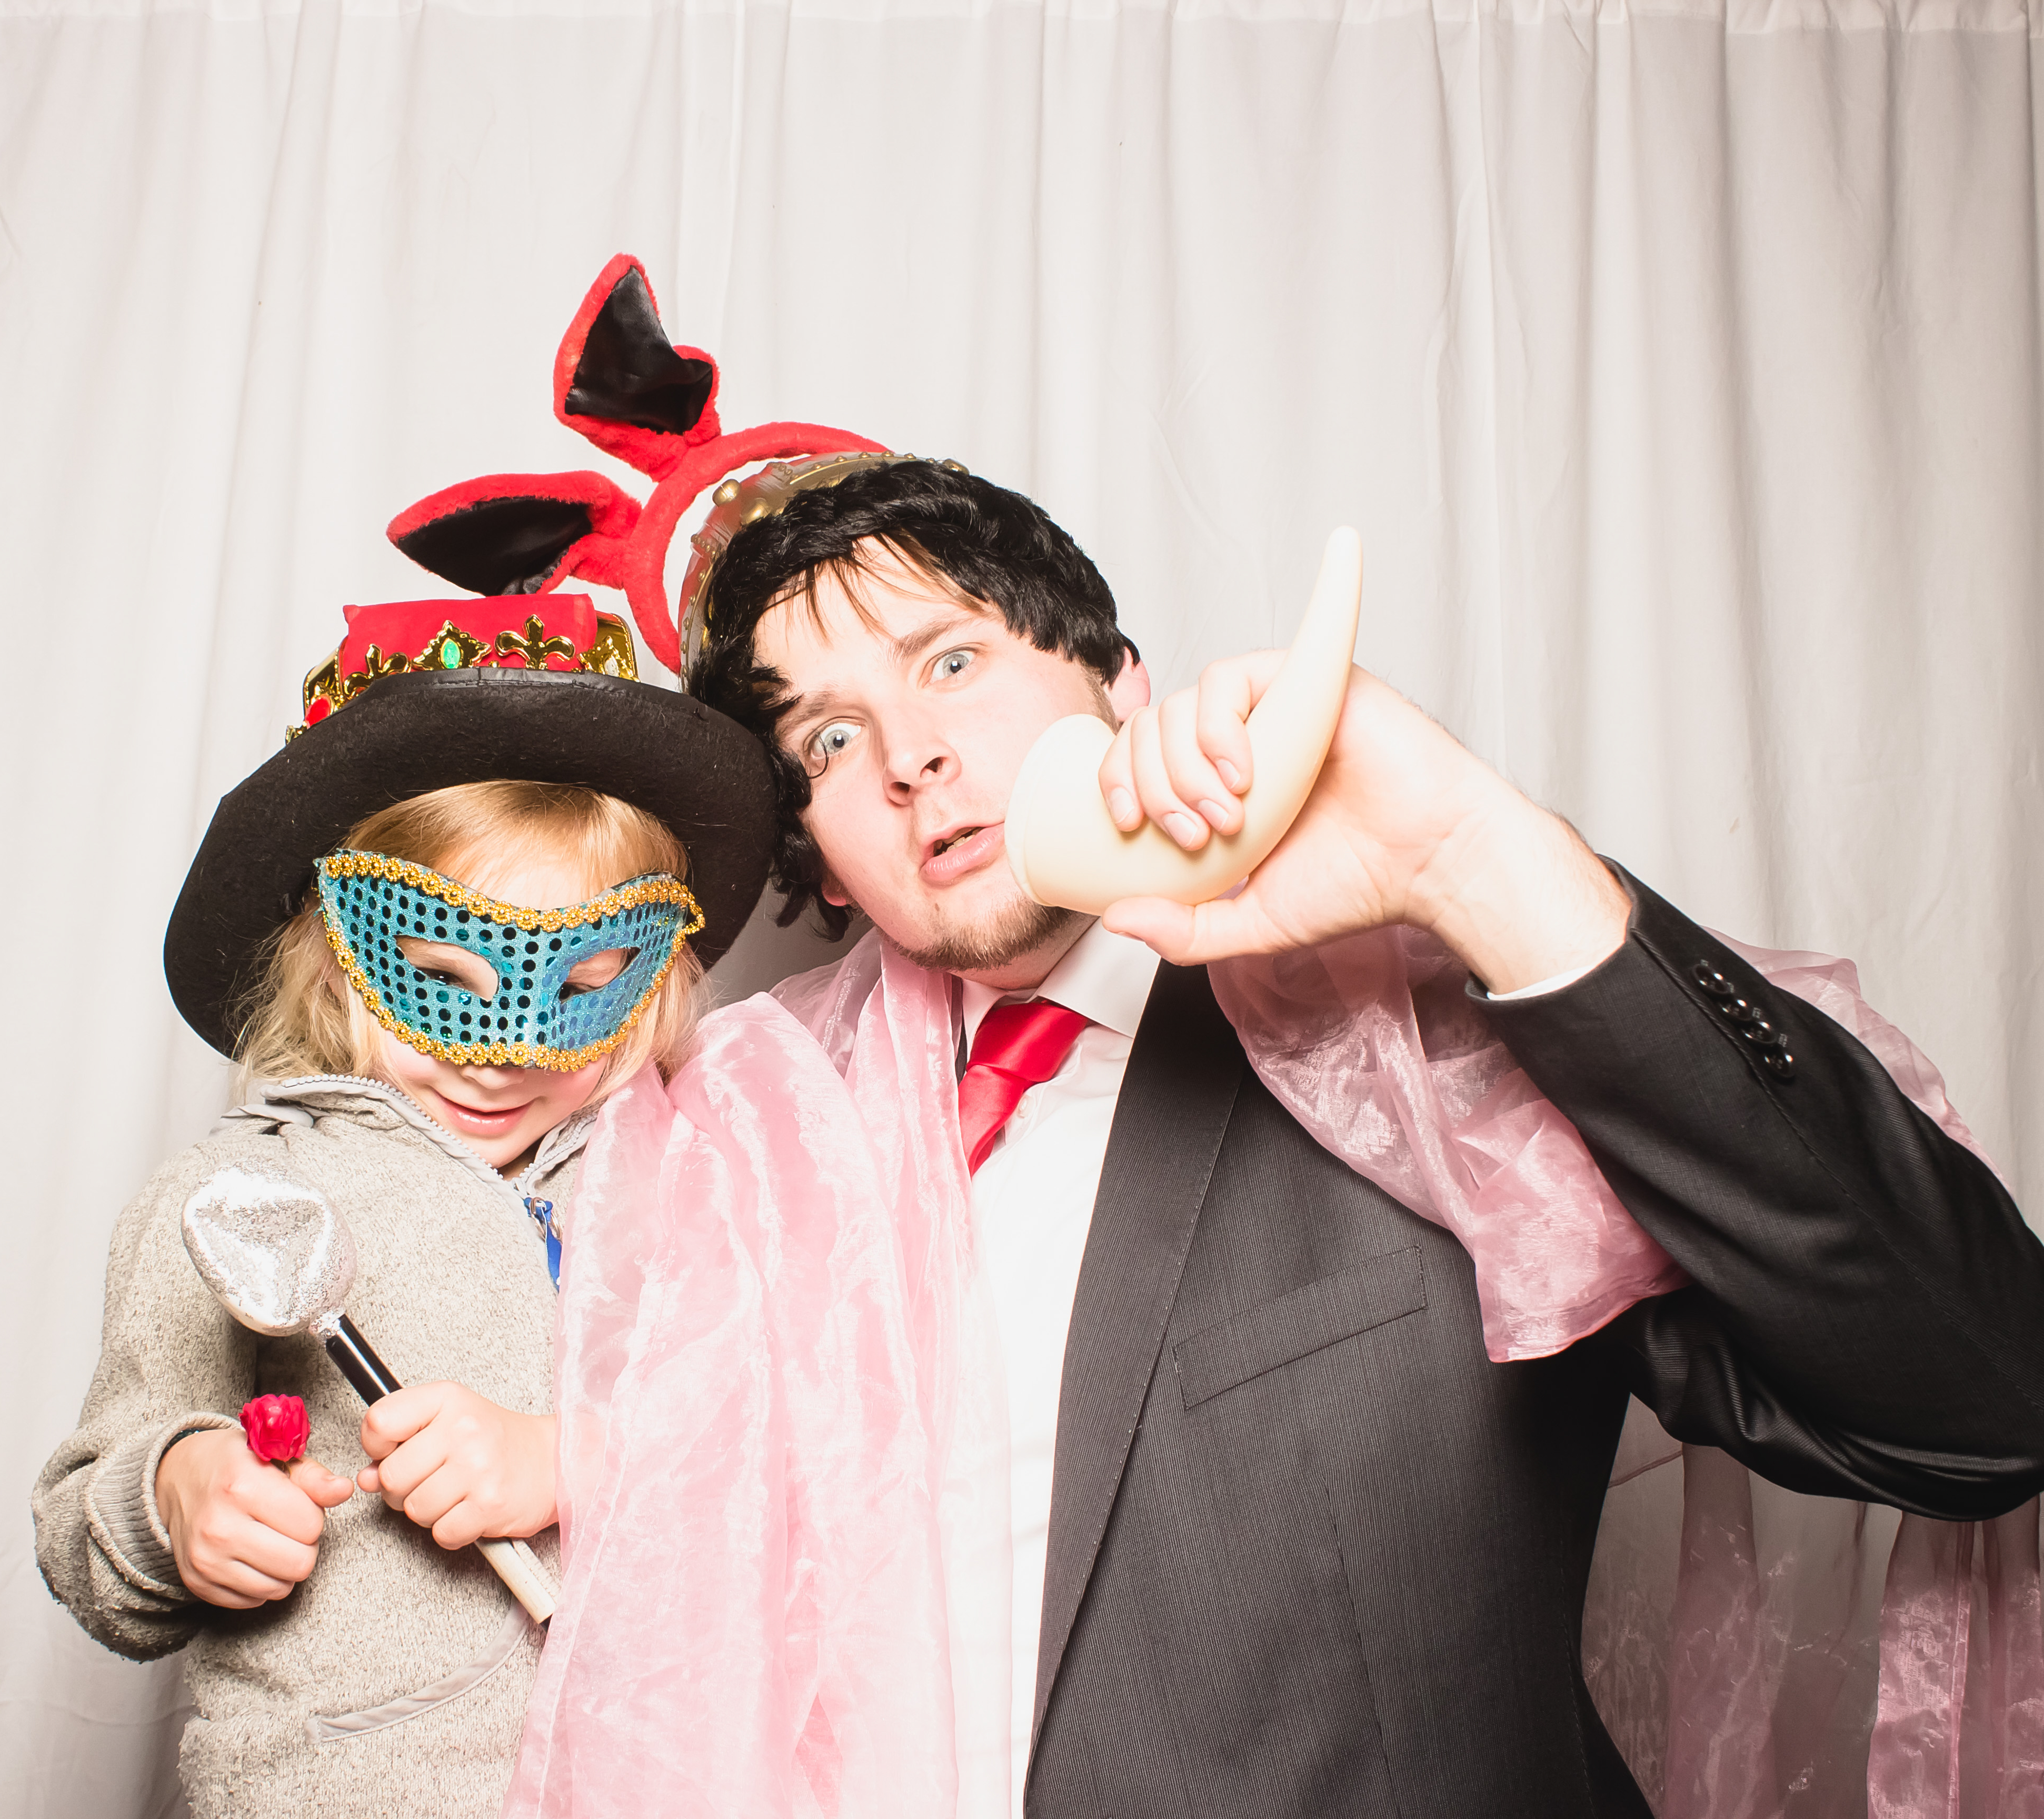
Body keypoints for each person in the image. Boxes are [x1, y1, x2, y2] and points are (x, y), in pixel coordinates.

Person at [653, 453, 2044, 1817]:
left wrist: (1469, 862)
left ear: (1120, 687)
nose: (910, 759)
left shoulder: (1420, 1057)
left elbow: (1983, 1410)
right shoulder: (754, 1146)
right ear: (824, 860)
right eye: (829, 739)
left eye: (951, 661)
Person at [28, 585, 777, 1818]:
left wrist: (574, 1463)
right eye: (439, 979)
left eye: (581, 985)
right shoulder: (237, 1199)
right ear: (336, 956)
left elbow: (802, 1467)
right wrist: (177, 1496)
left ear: (651, 979)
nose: (503, 1051)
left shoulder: (703, 1184)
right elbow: (90, 1515)